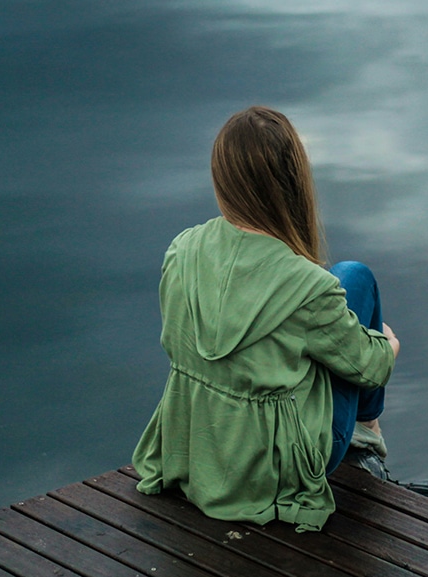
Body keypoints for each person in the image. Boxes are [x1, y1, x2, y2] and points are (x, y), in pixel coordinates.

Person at [131, 106, 400, 533]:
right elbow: (374, 368)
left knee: (337, 293)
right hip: (275, 473)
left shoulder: (181, 251)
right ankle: (366, 435)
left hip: (200, 452)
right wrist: (386, 343)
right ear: (292, 183)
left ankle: (362, 432)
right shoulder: (310, 287)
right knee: (354, 277)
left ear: (222, 181)